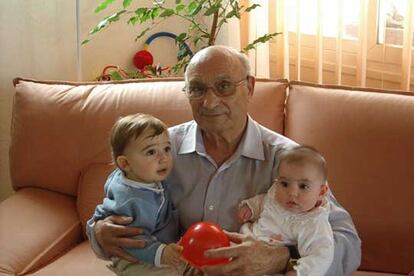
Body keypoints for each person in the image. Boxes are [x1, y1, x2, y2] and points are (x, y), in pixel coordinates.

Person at [86, 45, 361, 275]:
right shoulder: (159, 150)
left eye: (224, 86)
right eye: (197, 89)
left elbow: (348, 244)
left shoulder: (288, 160)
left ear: (250, 88)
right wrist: (99, 233)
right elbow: (116, 208)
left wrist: (282, 257)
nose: (209, 101)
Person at [90, 113, 184, 275]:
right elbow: (130, 239)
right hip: (135, 257)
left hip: (156, 248)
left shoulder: (141, 176)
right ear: (125, 163)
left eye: (167, 149)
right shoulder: (130, 200)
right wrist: (161, 253)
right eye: (151, 152)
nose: (164, 158)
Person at [238, 145, 333, 276]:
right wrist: (251, 207)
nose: (292, 193)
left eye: (303, 186)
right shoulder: (275, 195)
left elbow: (321, 256)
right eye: (285, 184)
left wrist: (300, 272)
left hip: (271, 266)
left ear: (321, 192)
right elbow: (264, 201)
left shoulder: (313, 222)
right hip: (244, 241)